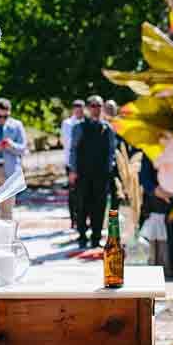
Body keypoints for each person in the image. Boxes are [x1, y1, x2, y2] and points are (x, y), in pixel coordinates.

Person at [68, 95, 119, 250]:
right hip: (83, 173)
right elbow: (73, 150)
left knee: (100, 206)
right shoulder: (79, 127)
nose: (96, 109)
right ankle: (82, 236)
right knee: (82, 205)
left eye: (98, 106)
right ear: (88, 108)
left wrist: (110, 168)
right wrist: (73, 170)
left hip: (101, 174)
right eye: (93, 105)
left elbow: (112, 150)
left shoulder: (107, 128)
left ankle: (96, 238)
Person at [0, 98, 27, 220]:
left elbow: (23, 148)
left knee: (7, 210)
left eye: (5, 116)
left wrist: (11, 145)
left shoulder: (17, 125)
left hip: (10, 171)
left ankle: (5, 238)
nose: (2, 119)